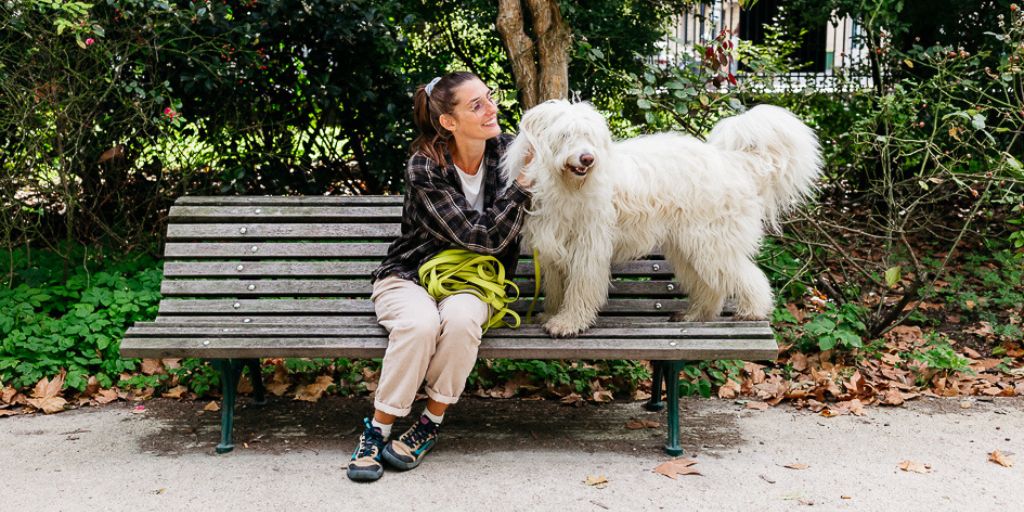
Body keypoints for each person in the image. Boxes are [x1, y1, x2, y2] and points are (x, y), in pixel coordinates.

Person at [347, 71, 534, 482]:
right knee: (419, 324)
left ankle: (429, 423)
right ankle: (377, 429)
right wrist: (520, 188)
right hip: (409, 274)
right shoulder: (424, 165)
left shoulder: (508, 152)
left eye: (489, 97)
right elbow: (479, 236)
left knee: (463, 320)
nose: (492, 109)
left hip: (475, 280)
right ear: (448, 122)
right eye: (477, 105)